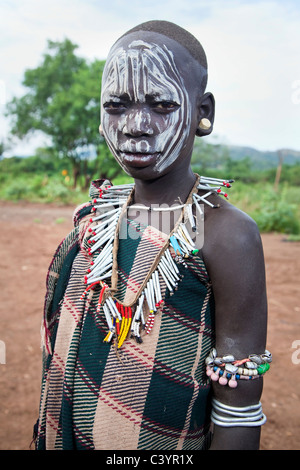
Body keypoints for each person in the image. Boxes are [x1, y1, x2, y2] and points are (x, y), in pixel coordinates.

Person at [34, 20, 271, 451]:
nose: (135, 125)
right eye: (116, 105)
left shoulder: (226, 233)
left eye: (162, 105)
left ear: (205, 113)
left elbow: (238, 407)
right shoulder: (95, 216)